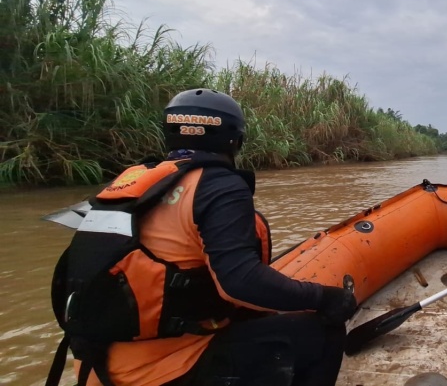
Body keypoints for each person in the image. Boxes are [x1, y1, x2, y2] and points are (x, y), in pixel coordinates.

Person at [47, 88, 357, 386]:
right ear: (235, 140)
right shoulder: (219, 185)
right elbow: (241, 283)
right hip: (162, 372)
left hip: (96, 368)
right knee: (322, 332)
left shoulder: (133, 182)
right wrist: (326, 297)